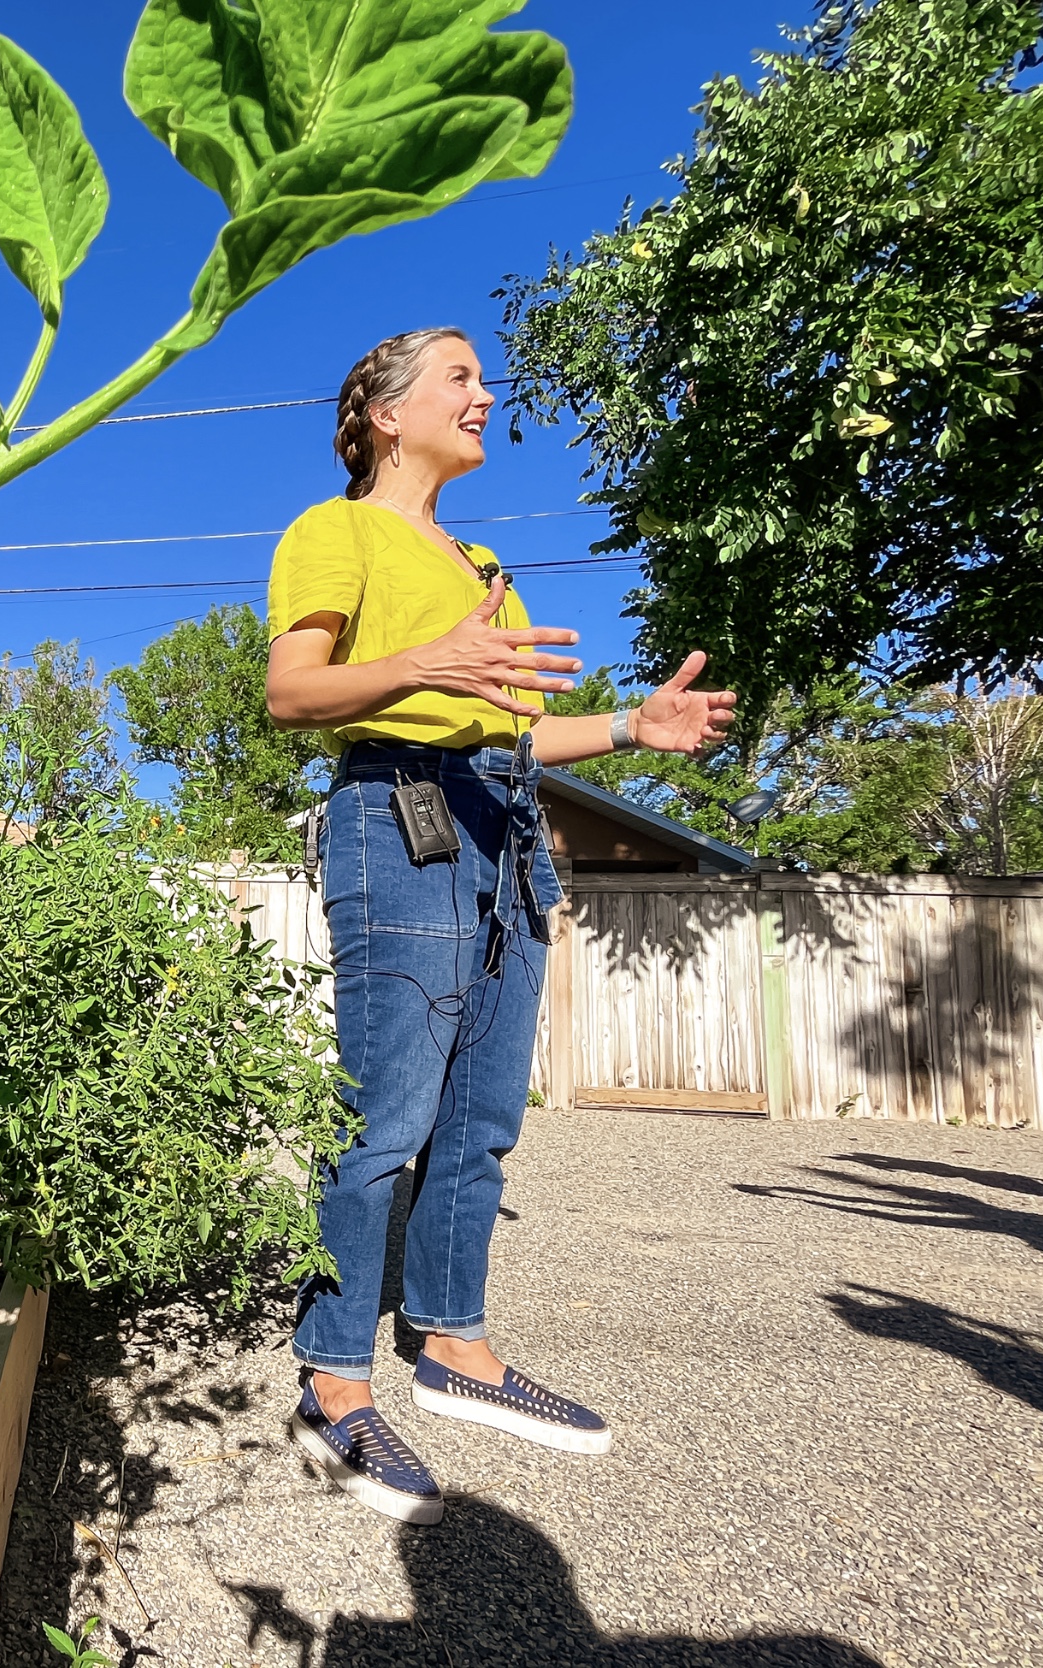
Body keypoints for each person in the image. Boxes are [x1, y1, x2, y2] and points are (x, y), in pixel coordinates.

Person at [264, 327, 737, 1525]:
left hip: (502, 823)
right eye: (459, 379)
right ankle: (332, 1375)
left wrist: (634, 728)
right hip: (396, 813)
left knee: (479, 1117)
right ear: (382, 411)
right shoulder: (337, 533)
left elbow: (514, 733)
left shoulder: (481, 564)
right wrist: (430, 658)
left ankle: (453, 1346)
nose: (485, 397)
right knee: (387, 1117)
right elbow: (289, 694)